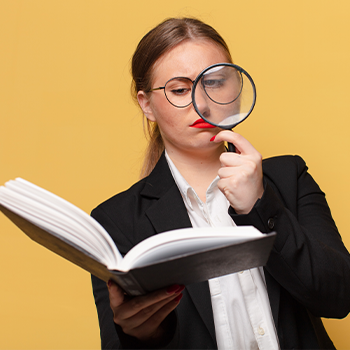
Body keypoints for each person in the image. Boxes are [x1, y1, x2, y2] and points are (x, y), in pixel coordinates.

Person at [91, 17, 350, 349]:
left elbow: (339, 297)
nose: (202, 102)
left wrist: (260, 204)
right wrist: (143, 334)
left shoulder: (290, 178)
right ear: (147, 104)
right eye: (180, 89)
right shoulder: (117, 220)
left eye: (215, 82)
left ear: (236, 86)